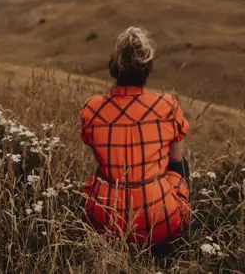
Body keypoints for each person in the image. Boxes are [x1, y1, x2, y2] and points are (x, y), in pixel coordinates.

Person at [80, 26, 191, 246]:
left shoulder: (92, 108)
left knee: (103, 170)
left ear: (114, 69)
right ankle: (181, 236)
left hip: (105, 223)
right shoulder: (167, 105)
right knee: (180, 168)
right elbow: (176, 161)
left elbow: (102, 159)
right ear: (148, 73)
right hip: (162, 224)